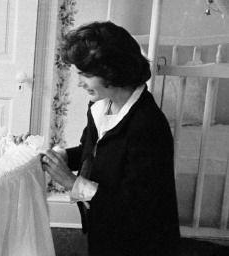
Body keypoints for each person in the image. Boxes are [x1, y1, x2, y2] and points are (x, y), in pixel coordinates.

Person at [41, 21, 180, 256]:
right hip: (107, 226)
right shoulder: (101, 105)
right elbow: (90, 150)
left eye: (86, 74)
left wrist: (71, 182)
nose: (80, 82)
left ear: (111, 71)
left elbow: (134, 207)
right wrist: (59, 157)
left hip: (141, 241)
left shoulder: (147, 125)